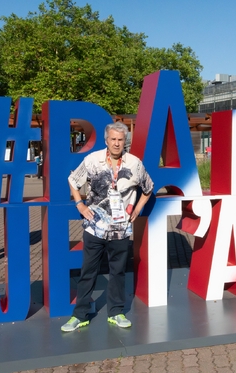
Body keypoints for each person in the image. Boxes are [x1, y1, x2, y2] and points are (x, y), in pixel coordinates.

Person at [61, 122, 154, 332]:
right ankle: (80, 315)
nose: (116, 143)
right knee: (88, 271)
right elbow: (73, 181)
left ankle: (116, 312)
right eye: (113, 139)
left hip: (121, 229)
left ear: (125, 141)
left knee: (118, 272)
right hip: (95, 227)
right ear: (106, 140)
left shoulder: (135, 164)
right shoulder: (92, 160)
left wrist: (137, 209)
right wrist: (80, 205)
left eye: (120, 140)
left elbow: (148, 188)